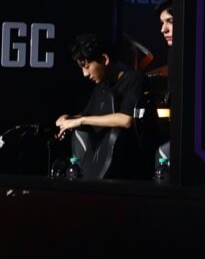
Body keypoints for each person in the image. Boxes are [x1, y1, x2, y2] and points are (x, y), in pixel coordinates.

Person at [56, 33, 145, 181]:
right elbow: (87, 115)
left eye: (87, 67)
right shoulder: (101, 87)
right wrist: (68, 120)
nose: (85, 74)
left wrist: (81, 120)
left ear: (104, 59)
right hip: (104, 168)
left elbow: (126, 120)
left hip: (129, 171)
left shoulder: (134, 79)